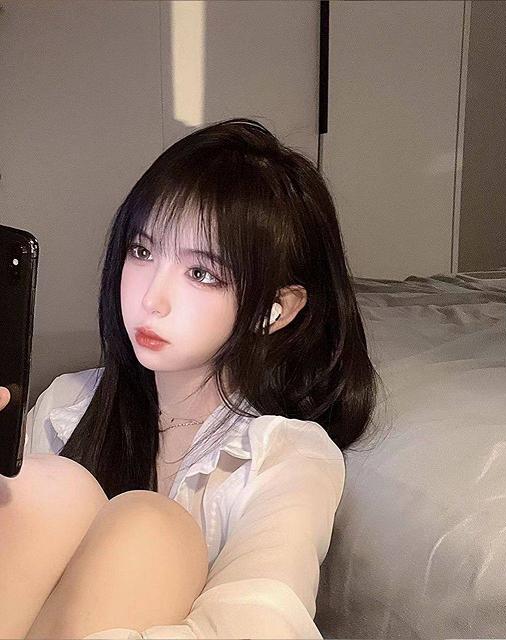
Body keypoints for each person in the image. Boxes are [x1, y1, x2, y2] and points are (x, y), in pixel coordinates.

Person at [0, 118, 383, 639]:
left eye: (201, 273)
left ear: (274, 309)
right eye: (142, 251)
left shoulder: (285, 454)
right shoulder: (68, 405)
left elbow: (261, 621)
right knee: (62, 491)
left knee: (153, 530)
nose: (151, 299)